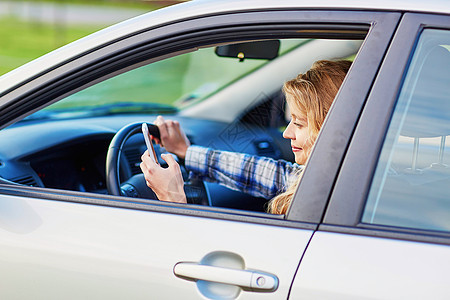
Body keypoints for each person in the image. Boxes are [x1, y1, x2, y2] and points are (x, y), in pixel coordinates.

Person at [140, 60, 352, 214]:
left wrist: (173, 199)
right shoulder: (335, 178)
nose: (287, 133)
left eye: (299, 123)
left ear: (333, 127)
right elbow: (271, 174)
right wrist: (186, 152)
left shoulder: (323, 202)